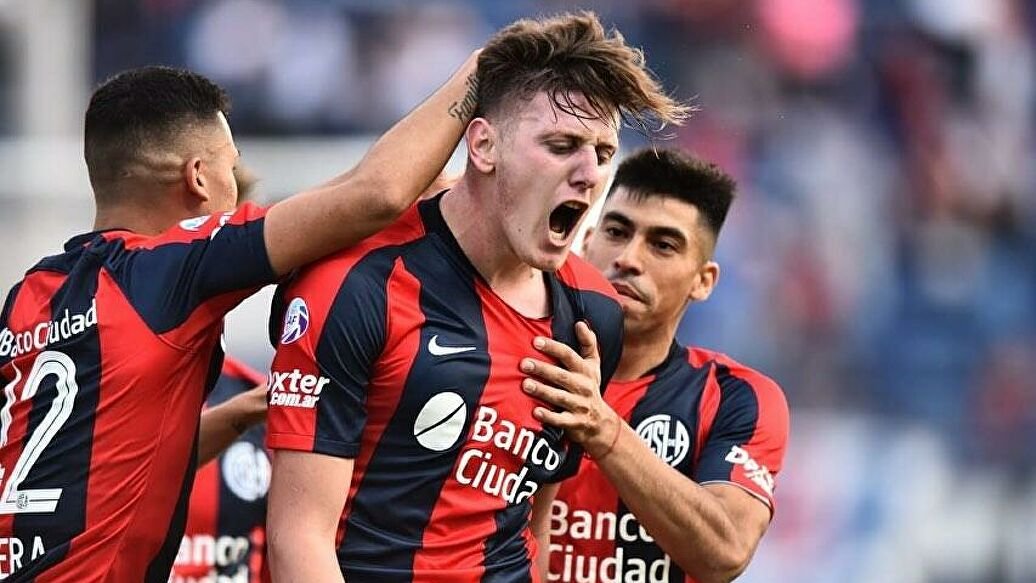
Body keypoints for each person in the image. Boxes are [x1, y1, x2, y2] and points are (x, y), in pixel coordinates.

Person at [0, 50, 479, 581]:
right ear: (199, 178)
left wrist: (238, 413)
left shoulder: (30, 296)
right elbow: (375, 195)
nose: (237, 184)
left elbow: (101, 466)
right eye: (231, 166)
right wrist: (482, 70)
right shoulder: (167, 271)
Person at [264, 12, 689, 582]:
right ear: (484, 146)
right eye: (561, 145)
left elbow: (533, 525)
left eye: (604, 154)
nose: (590, 174)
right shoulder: (359, 285)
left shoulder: (593, 313)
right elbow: (299, 540)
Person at [519, 148, 790, 583]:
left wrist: (602, 428)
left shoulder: (737, 397)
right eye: (616, 231)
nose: (628, 258)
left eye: (662, 245)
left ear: (703, 281)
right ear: (586, 243)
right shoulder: (519, 362)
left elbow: (724, 553)